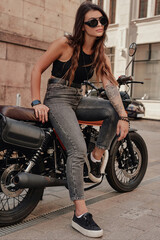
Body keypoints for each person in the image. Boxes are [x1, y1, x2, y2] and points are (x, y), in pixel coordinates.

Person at [31, 1, 129, 238]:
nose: (99, 25)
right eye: (92, 21)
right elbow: (37, 69)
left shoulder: (98, 51)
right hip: (57, 98)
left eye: (102, 20)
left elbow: (110, 85)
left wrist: (124, 116)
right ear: (82, 26)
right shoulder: (65, 43)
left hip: (78, 97)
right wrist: (36, 102)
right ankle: (80, 213)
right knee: (77, 148)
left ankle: (95, 158)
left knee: (113, 109)